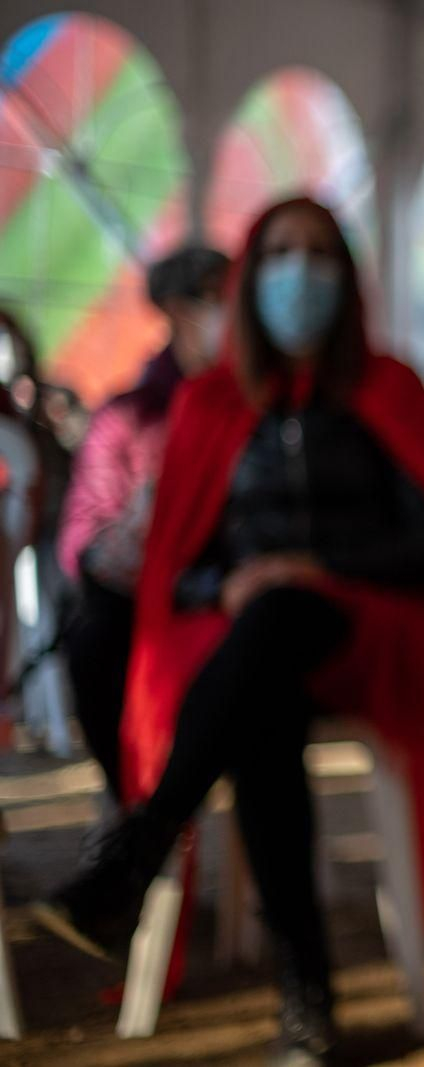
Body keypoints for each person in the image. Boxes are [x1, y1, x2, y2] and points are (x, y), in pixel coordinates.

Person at [33, 198, 424, 1064]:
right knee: (265, 706)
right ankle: (307, 995)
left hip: (371, 624)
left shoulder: (389, 388)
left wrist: (315, 565)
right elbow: (179, 559)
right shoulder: (212, 403)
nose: (301, 272)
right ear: (252, 275)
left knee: (278, 623)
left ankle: (133, 856)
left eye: (320, 253)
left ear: (348, 275)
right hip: (248, 636)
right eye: (282, 252)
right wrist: (231, 579)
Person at [57, 246, 230, 799]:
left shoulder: (265, 405)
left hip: (236, 592)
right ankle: (138, 803)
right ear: (179, 309)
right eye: (219, 298)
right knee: (92, 644)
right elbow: (82, 537)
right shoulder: (129, 417)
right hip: (154, 598)